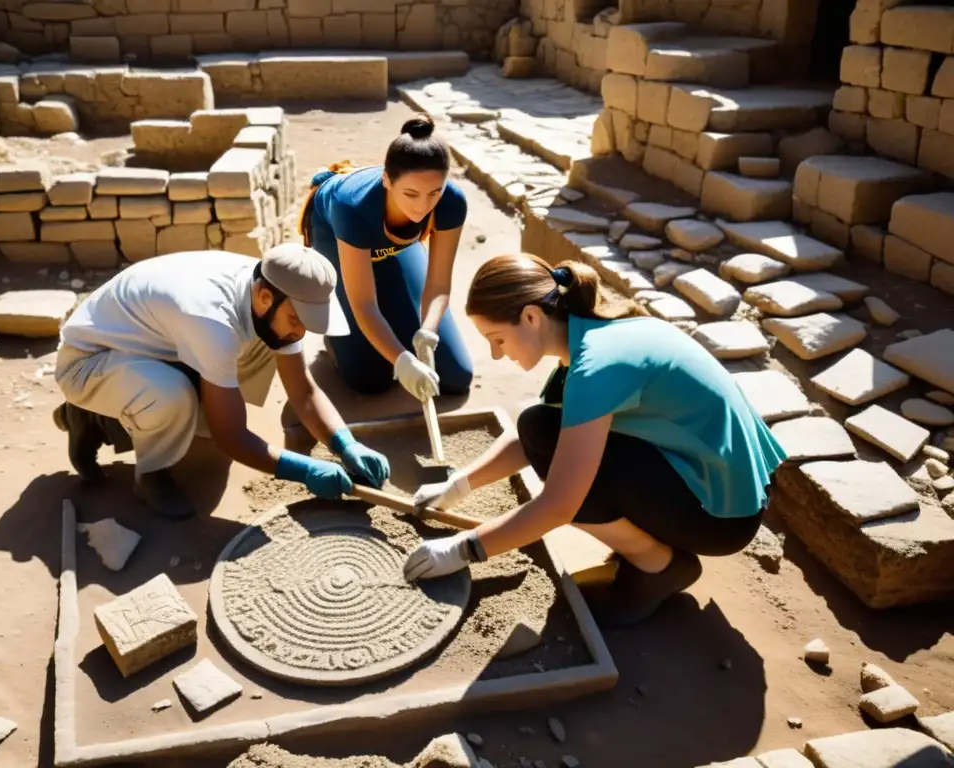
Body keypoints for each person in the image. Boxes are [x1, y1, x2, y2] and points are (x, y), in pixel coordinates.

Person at [400, 253, 787, 628]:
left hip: (722, 518)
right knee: (539, 426)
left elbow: (559, 506)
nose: (496, 355)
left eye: (497, 339)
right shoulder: (594, 334)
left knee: (569, 478)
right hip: (716, 481)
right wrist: (459, 484)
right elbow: (537, 434)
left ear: (532, 317)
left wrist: (463, 549)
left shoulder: (596, 367)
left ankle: (660, 565)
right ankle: (650, 543)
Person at [51, 244, 391, 520]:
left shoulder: (273, 289)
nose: (299, 332)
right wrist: (304, 471)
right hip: (88, 361)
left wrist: (345, 445)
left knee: (267, 342)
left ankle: (126, 410)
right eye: (296, 320)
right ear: (264, 299)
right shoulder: (212, 319)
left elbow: (302, 390)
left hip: (153, 347)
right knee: (174, 399)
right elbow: (231, 438)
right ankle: (141, 465)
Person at [297, 113, 474, 403]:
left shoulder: (452, 202)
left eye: (434, 193)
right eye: (411, 193)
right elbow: (364, 304)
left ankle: (398, 318)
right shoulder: (351, 207)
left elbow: (439, 285)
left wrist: (428, 331)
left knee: (456, 376)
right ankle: (335, 341)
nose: (422, 206)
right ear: (386, 180)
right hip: (336, 237)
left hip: (393, 246)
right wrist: (403, 360)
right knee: (369, 379)